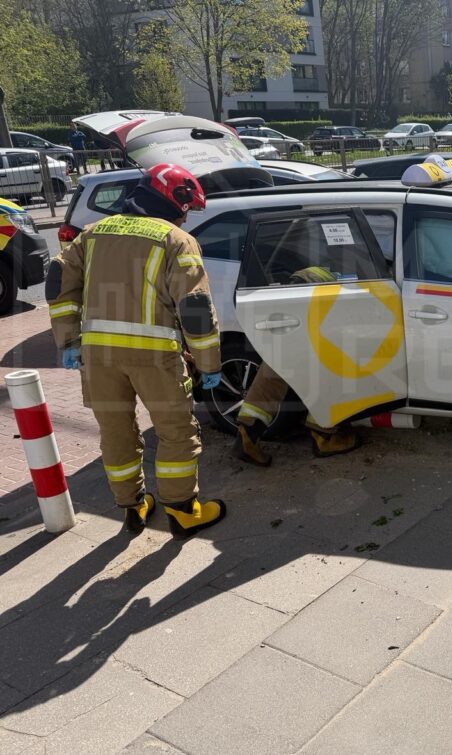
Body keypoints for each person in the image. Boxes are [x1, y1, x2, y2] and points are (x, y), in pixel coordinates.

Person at [47, 163, 227, 538]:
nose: (185, 217)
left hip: (99, 358)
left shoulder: (92, 234)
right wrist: (209, 363)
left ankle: (133, 506)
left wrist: (67, 341)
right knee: (176, 432)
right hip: (155, 358)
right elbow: (195, 310)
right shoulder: (175, 240)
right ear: (172, 201)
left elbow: (60, 288)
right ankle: (182, 510)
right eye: (186, 209)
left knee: (116, 433)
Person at [232, 266, 360, 467]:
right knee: (335, 357)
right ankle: (323, 435)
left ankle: (246, 435)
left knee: (280, 360)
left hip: (290, 291)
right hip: (316, 294)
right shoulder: (359, 254)